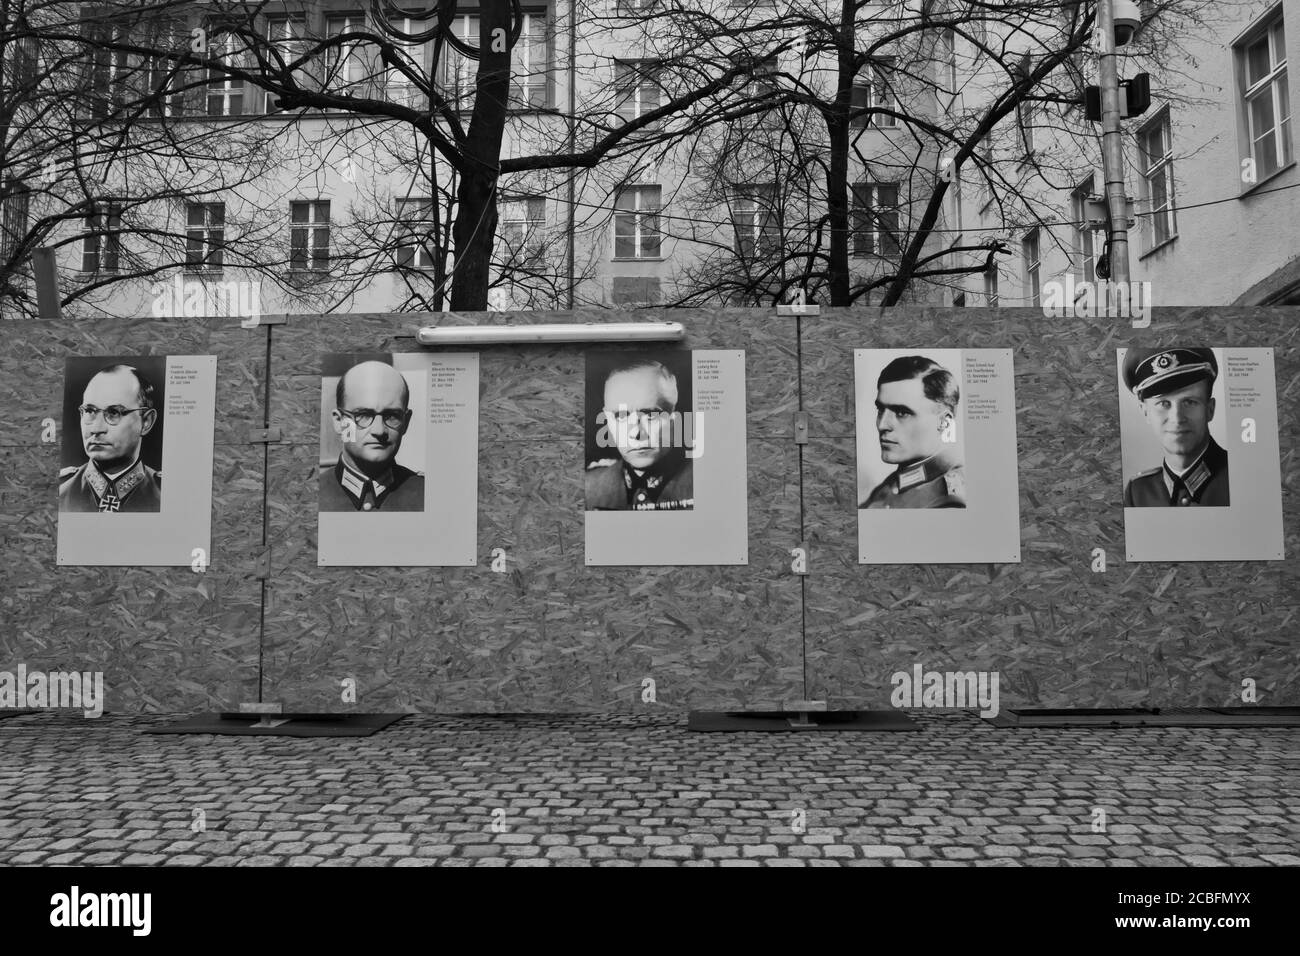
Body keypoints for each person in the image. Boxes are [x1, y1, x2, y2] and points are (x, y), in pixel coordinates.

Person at [1122, 347, 1229, 507]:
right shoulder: (1137, 492)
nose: (1177, 418)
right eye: (1163, 403)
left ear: (1210, 409)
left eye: (1190, 402)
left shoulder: (1242, 477)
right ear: (1145, 412)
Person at [860, 355, 966, 509]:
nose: (882, 425)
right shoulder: (890, 485)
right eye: (880, 409)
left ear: (944, 423)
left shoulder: (948, 501)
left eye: (902, 413)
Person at [586, 359, 693, 511]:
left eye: (650, 415)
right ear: (608, 421)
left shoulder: (705, 482)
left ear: (674, 419)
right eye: (620, 416)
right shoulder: (589, 488)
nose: (636, 433)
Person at [319, 360, 424, 512]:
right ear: (339, 421)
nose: (379, 430)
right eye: (363, 415)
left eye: (392, 416)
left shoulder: (425, 495)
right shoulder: (312, 494)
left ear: (406, 422)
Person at [59, 364, 162, 513]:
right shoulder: (60, 490)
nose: (96, 429)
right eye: (89, 411)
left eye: (114, 412)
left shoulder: (168, 497)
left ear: (146, 422)